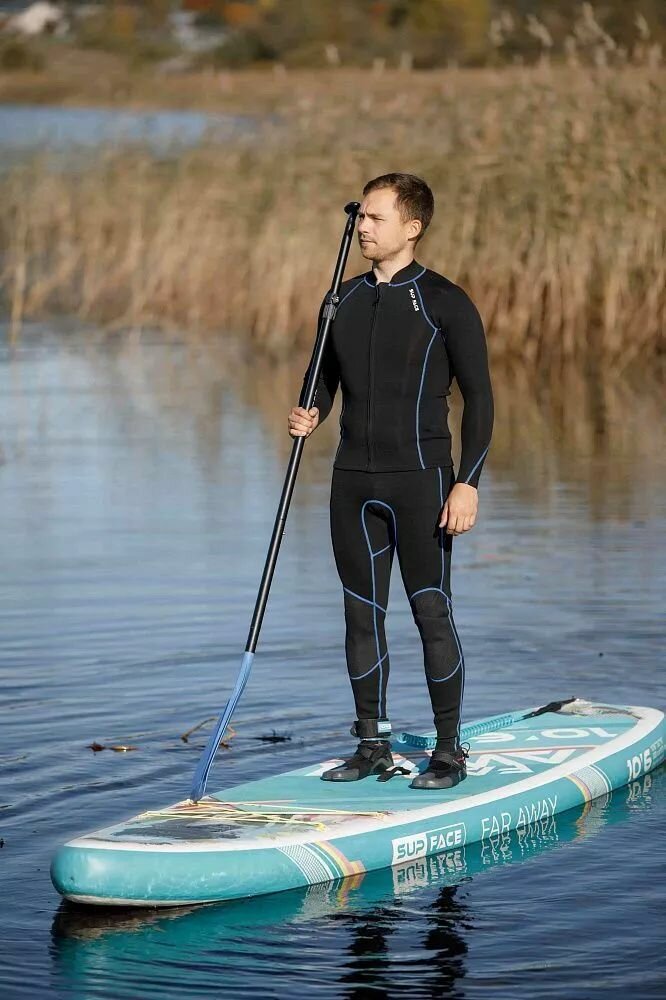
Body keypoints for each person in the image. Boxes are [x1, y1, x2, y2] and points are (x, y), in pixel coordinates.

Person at [288, 173, 494, 789]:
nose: (363, 227)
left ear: (413, 227)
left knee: (430, 610)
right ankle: (371, 745)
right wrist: (311, 409)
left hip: (423, 482)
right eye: (361, 217)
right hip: (352, 482)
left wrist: (468, 483)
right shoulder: (341, 299)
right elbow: (322, 377)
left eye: (376, 218)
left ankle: (449, 750)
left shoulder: (445, 301)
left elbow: (480, 400)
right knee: (361, 615)